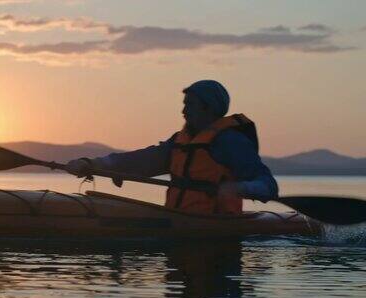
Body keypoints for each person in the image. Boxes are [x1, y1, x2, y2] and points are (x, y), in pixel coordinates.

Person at [65, 80, 278, 214]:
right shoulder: (180, 142)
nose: (183, 111)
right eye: (184, 104)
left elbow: (268, 185)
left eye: (190, 105)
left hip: (215, 232)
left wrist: (241, 188)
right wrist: (92, 163)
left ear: (209, 109)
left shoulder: (231, 142)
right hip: (179, 222)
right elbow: (142, 160)